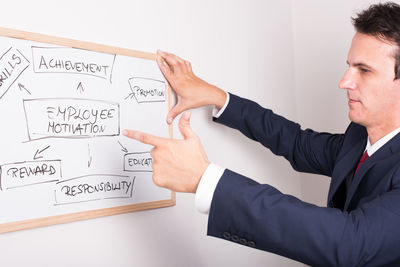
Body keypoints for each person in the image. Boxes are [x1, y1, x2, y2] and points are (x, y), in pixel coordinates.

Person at [123, 2, 400, 266]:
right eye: (349, 66)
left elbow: (350, 243)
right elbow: (298, 143)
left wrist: (205, 180)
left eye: (364, 70)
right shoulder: (358, 137)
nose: (344, 82)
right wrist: (219, 98)